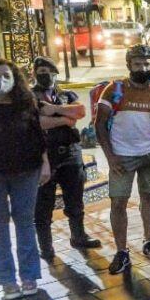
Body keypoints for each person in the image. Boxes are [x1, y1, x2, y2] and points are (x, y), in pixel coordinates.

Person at [96, 45, 150, 274]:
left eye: (146, 64)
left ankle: (149, 241)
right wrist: (110, 157)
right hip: (122, 157)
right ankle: (122, 252)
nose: (143, 68)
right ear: (129, 65)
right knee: (118, 202)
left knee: (148, 196)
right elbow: (99, 124)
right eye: (137, 64)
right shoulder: (115, 89)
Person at [0, 60, 50, 299]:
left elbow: (38, 135)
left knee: (25, 222)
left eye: (6, 75)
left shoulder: (24, 102)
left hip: (26, 172)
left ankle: (29, 276)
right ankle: (7, 281)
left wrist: (45, 163)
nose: (1, 80)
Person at [31, 57, 99, 256]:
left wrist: (54, 110)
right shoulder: (28, 96)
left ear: (55, 73)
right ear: (34, 74)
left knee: (75, 201)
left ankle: (78, 236)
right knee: (43, 205)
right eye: (40, 71)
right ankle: (46, 246)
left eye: (48, 70)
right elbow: (37, 123)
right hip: (44, 155)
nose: (44, 74)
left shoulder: (66, 94)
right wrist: (65, 119)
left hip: (70, 153)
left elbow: (80, 111)